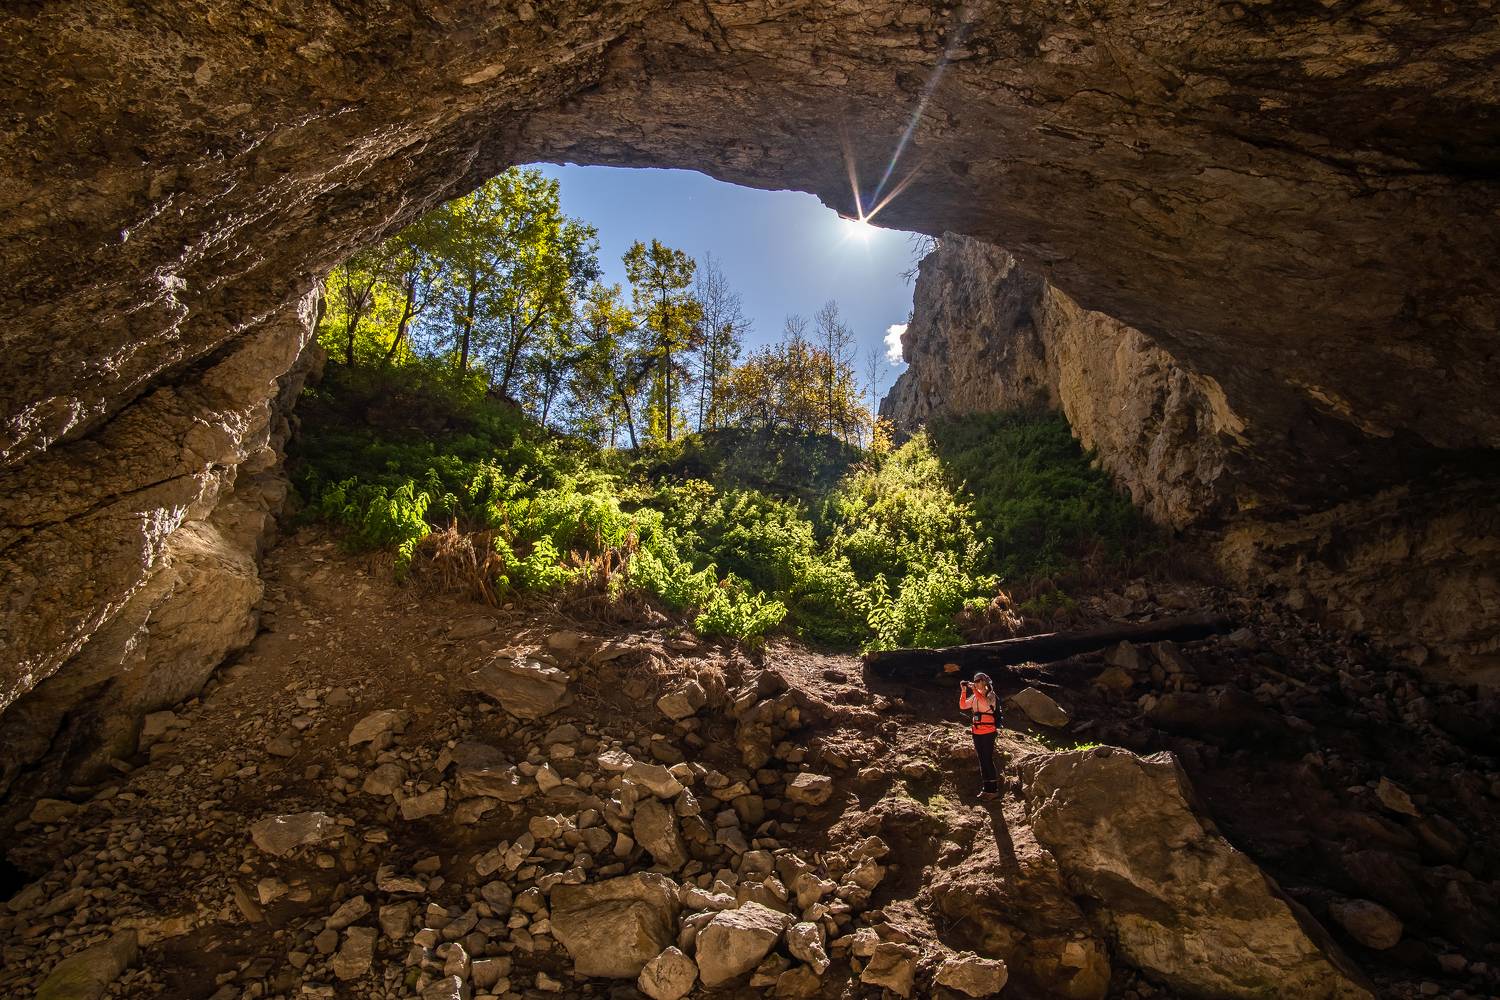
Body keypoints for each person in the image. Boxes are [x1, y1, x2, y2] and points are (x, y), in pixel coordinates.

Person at [959, 672, 1001, 798]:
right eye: (974, 681)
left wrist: (974, 690)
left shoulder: (990, 694)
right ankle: (986, 789)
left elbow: (984, 703)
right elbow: (963, 705)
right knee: (981, 759)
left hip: (988, 731)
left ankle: (993, 790)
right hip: (976, 731)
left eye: (978, 681)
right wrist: (964, 691)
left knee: (987, 758)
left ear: (984, 682)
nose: (975, 683)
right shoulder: (975, 696)